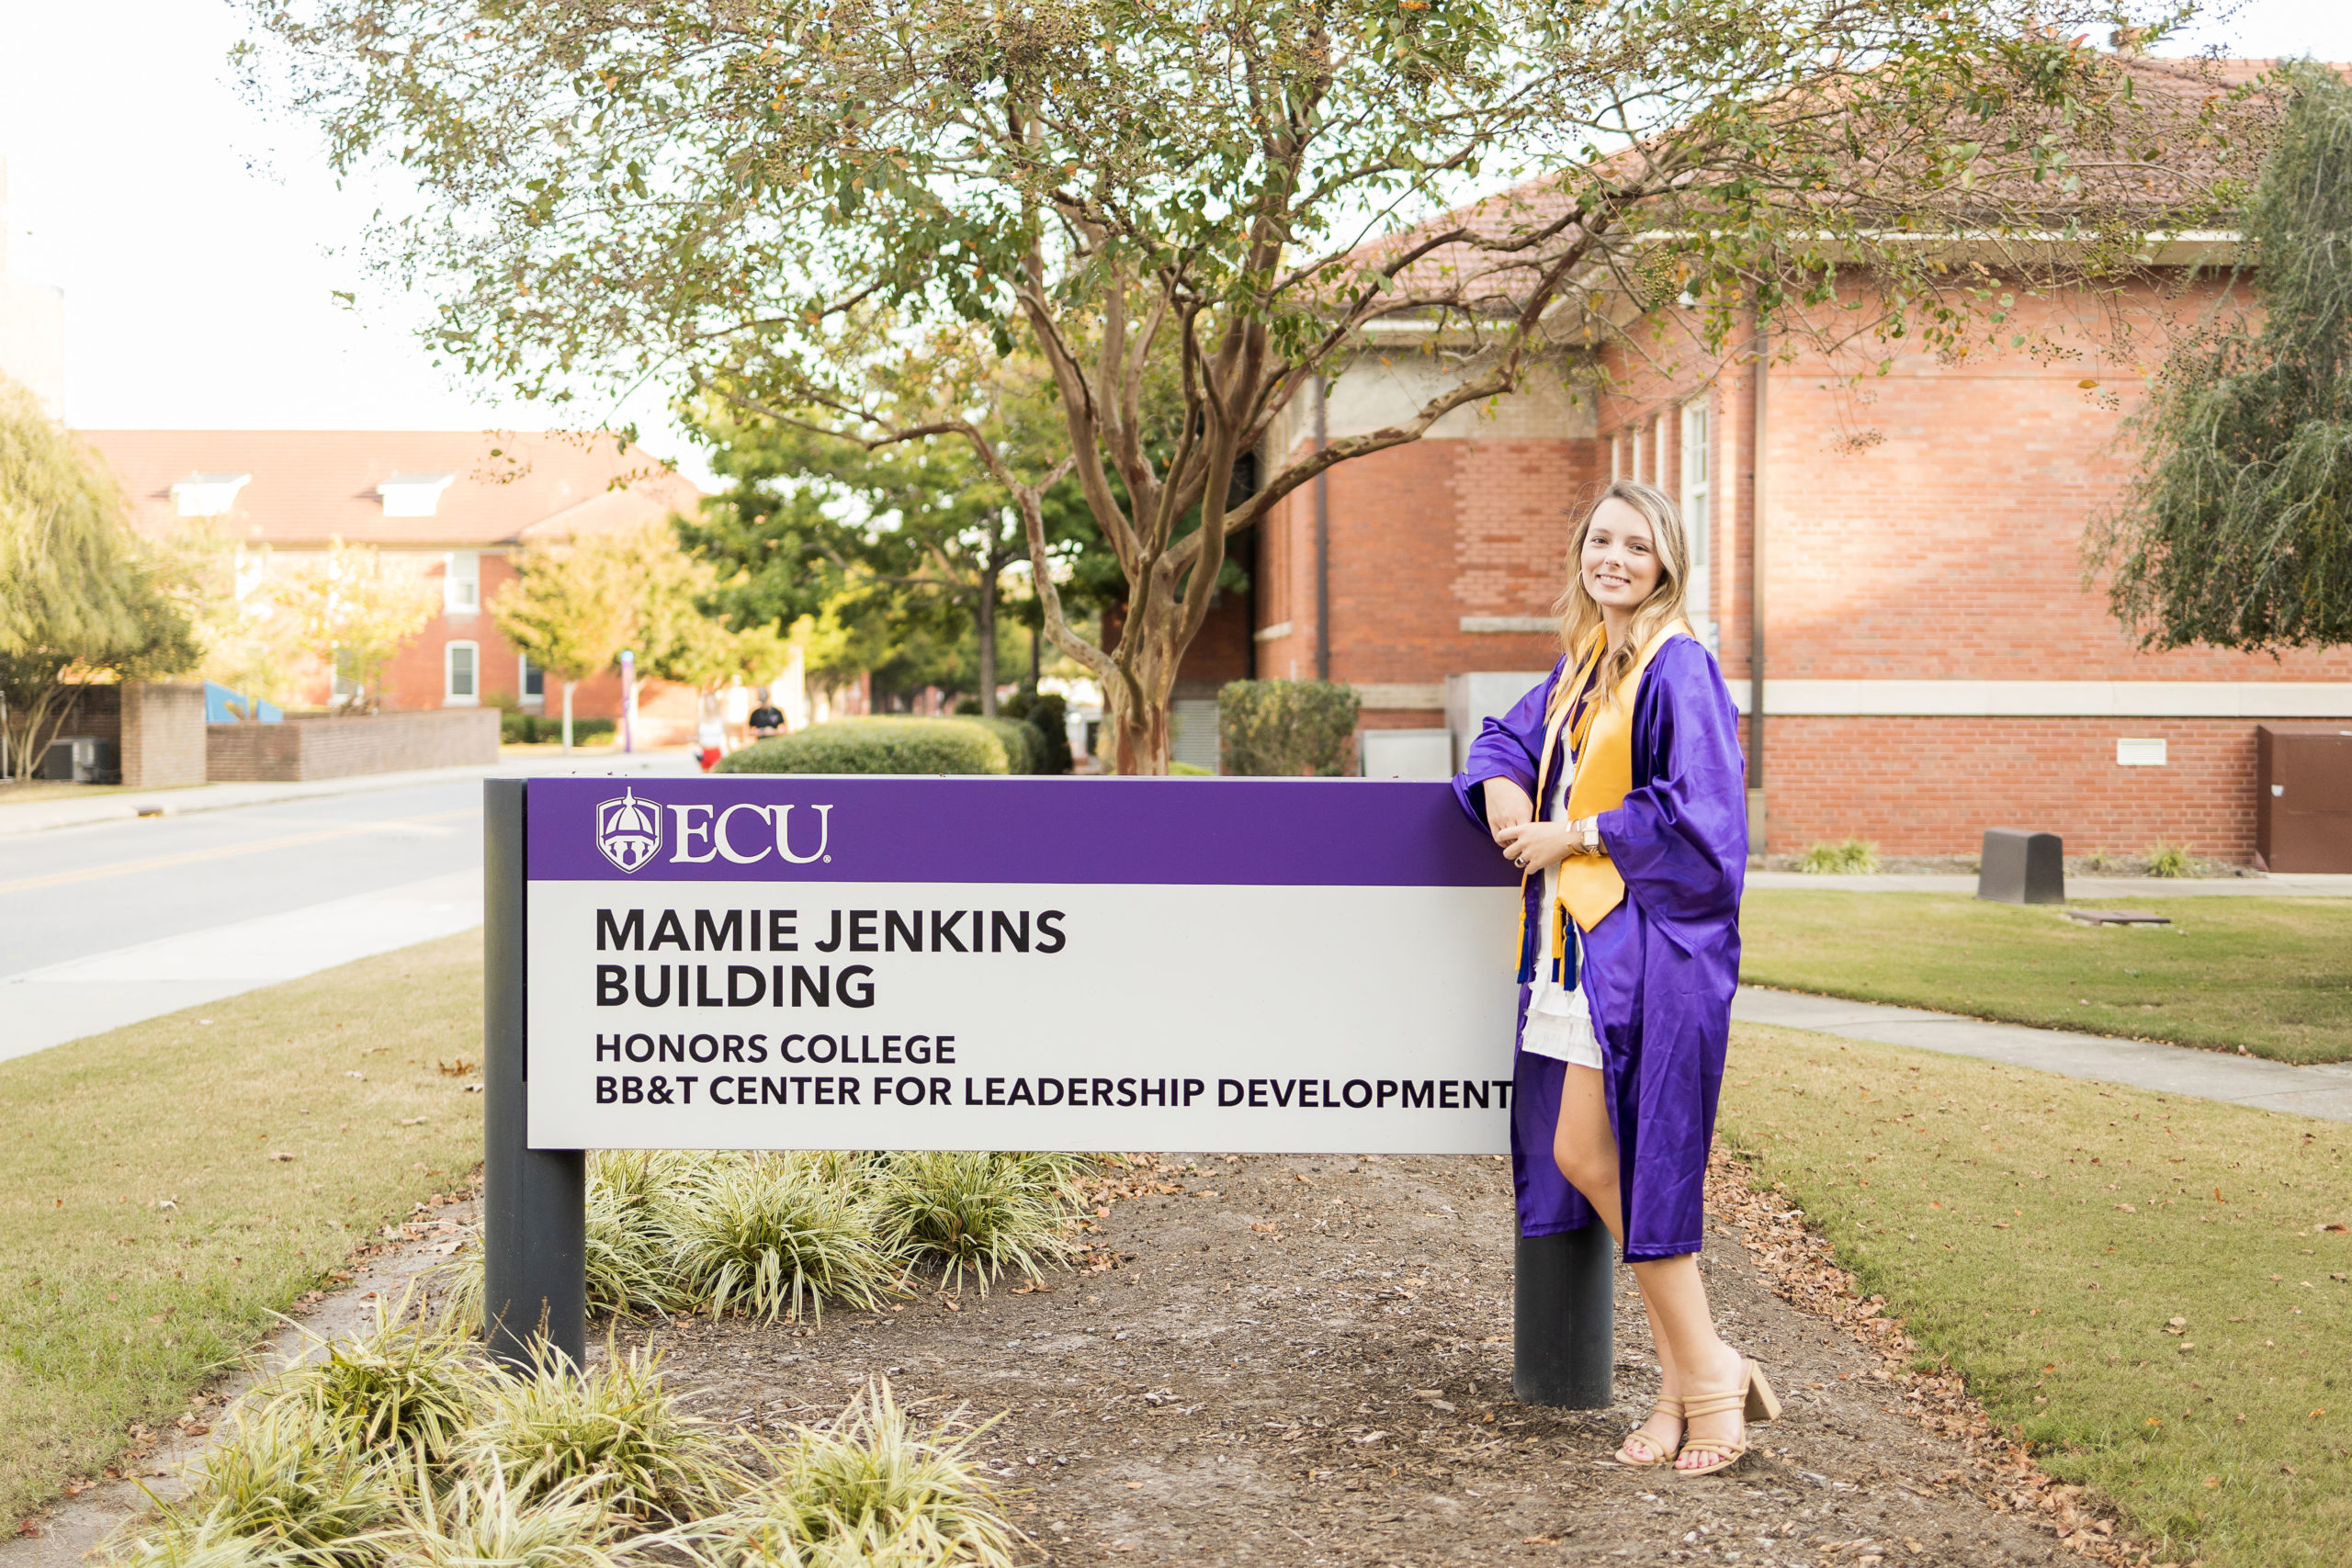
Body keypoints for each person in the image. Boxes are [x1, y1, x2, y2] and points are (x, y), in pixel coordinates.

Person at [1451, 479, 1774, 1476]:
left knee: (1612, 1159)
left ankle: (1705, 1385)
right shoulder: (1589, 661)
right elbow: (1503, 738)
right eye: (1601, 541)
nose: (1615, 560)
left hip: (1642, 953)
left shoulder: (1678, 666)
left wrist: (1575, 831)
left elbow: (1703, 819)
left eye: (1637, 547)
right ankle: (1697, 1372)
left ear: (1665, 561)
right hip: (1579, 949)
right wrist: (1509, 794)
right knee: (1586, 1157)